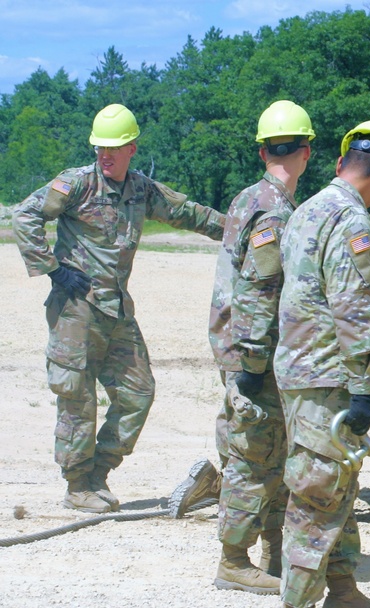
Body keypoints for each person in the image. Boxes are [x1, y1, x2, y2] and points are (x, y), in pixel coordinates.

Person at [13, 103, 225, 514]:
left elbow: (189, 213)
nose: (105, 155)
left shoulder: (141, 189)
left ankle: (98, 474)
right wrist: (54, 270)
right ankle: (77, 486)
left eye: (114, 148)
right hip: (75, 307)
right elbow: (25, 215)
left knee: (138, 393)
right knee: (77, 396)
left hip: (117, 310)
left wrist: (244, 227)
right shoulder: (76, 184)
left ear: (132, 147)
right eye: (99, 148)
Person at [271, 120, 370, 608]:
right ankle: (296, 606)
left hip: (299, 367)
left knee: (340, 479)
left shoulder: (305, 209)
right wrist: (362, 388)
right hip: (326, 374)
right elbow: (351, 308)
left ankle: (343, 590)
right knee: (319, 486)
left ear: (339, 163)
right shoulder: (352, 220)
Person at [195, 100, 313, 595]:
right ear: (306, 151)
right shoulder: (274, 210)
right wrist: (253, 364)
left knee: (271, 449)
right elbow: (261, 289)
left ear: (264, 150)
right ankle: (235, 559)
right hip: (252, 351)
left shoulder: (249, 198)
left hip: (244, 345)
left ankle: (272, 553)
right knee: (253, 453)